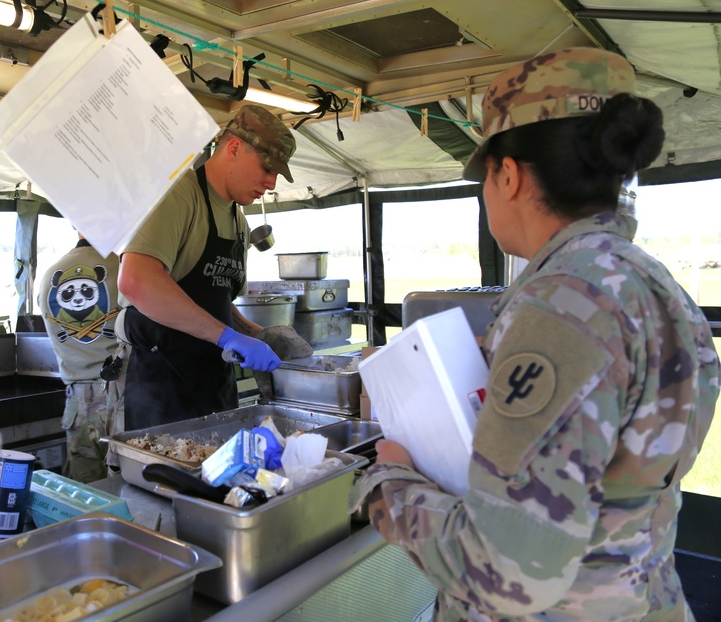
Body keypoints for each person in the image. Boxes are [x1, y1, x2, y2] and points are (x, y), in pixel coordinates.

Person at [350, 48, 720, 620]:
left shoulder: (561, 306)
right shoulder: (652, 283)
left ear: (509, 174)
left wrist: (389, 482)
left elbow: (505, 572)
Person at [117, 104, 311, 431]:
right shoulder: (178, 195)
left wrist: (257, 334)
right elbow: (136, 280)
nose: (272, 182)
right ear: (234, 148)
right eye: (267, 167)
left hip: (216, 385)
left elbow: (217, 300)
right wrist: (225, 337)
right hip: (164, 391)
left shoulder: (237, 217)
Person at [39, 232, 126, 482]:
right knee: (126, 490)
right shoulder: (126, 268)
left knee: (84, 494)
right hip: (121, 399)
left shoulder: (48, 276)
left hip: (78, 407)